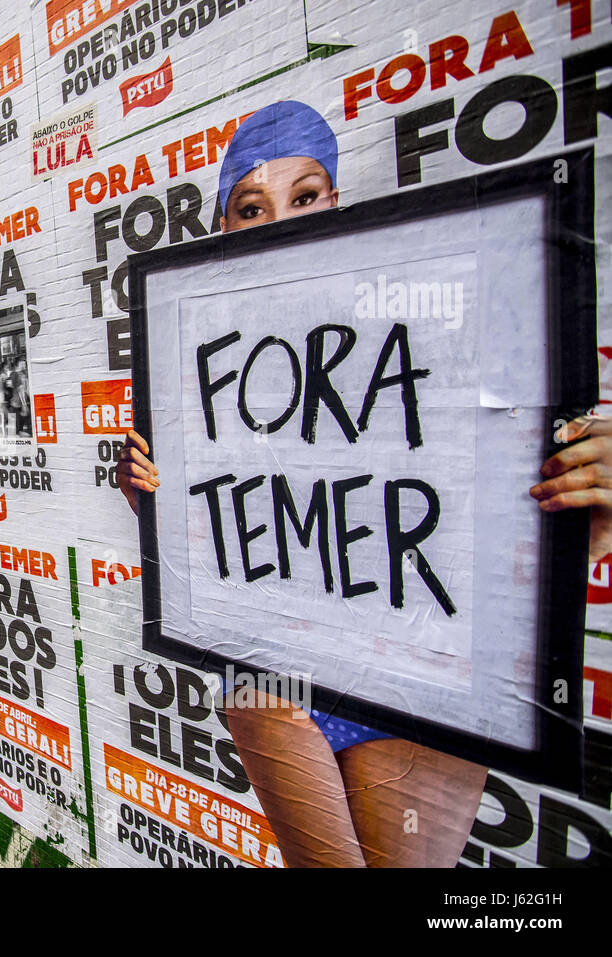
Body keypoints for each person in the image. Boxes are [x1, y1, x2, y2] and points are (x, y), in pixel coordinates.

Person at [117, 100, 496, 867]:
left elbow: (485, 501)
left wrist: (569, 512)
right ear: (225, 224)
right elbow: (198, 536)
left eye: (305, 194)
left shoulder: (420, 318)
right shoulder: (190, 352)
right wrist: (149, 497)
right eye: (251, 206)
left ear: (335, 200)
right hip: (271, 667)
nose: (280, 219)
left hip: (412, 667)